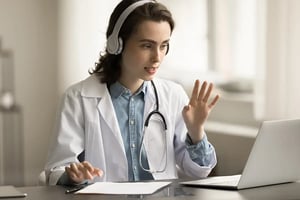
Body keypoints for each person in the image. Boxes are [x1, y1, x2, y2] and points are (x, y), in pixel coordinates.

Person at [45, 0, 220, 186]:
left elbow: (198, 171)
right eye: (147, 46)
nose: (157, 57)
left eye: (163, 46)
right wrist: (73, 175)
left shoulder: (173, 95)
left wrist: (196, 133)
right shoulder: (78, 98)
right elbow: (57, 170)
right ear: (116, 44)